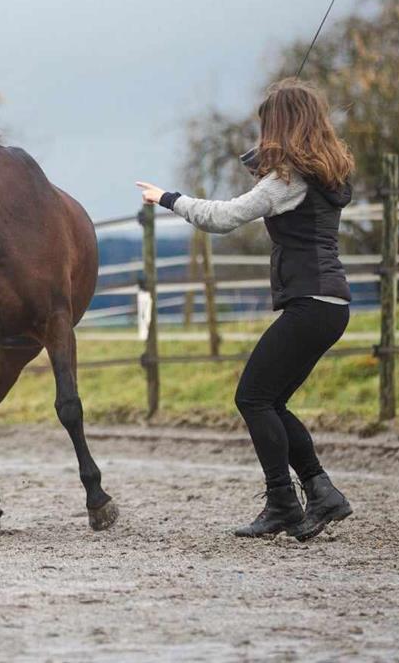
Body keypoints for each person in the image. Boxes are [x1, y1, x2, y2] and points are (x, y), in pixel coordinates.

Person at [135, 78, 355, 541]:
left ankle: (284, 503)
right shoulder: (321, 175)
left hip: (311, 302)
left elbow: (223, 218)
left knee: (252, 398)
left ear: (282, 126)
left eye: (267, 126)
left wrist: (167, 198)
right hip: (330, 304)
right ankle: (320, 493)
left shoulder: (287, 180)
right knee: (270, 400)